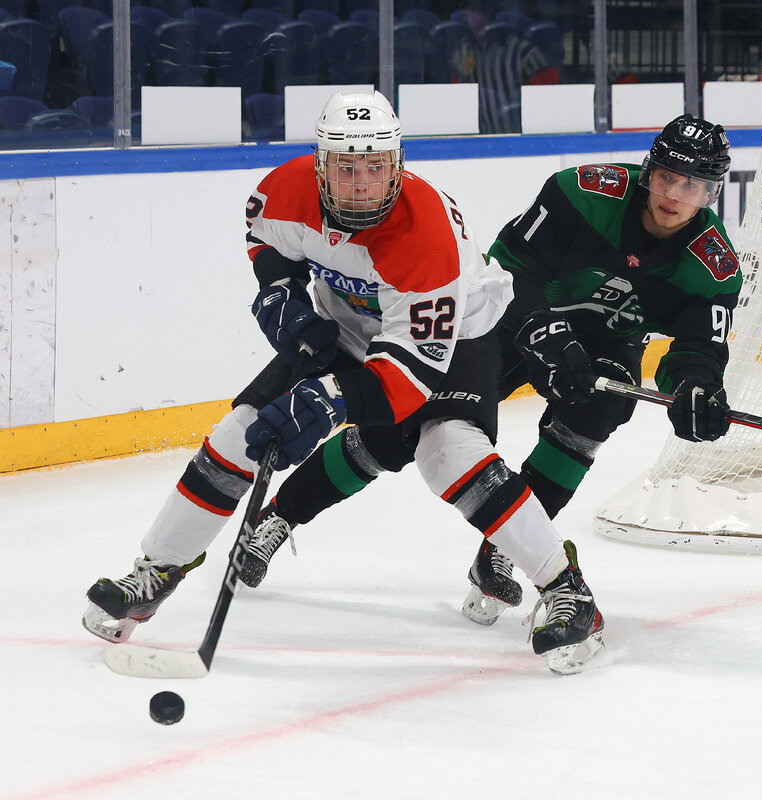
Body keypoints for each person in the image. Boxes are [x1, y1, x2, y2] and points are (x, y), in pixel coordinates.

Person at [82, 90, 606, 674]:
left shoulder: (426, 237)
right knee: (239, 433)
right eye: (346, 167)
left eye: (375, 168)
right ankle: (158, 568)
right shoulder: (286, 189)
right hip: (344, 329)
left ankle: (567, 588)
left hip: (456, 339)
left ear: (397, 165)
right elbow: (268, 241)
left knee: (448, 453)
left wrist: (327, 401)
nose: (361, 185)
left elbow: (407, 379)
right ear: (320, 165)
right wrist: (279, 294)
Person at [241, 113, 743, 626]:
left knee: (599, 410)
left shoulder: (713, 265)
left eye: (691, 185)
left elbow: (699, 348)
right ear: (648, 170)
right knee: (398, 430)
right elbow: (508, 267)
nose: (673, 195)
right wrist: (541, 327)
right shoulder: (583, 192)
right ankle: (279, 516)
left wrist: (696, 388)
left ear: (712, 193)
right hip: (507, 321)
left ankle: (502, 550)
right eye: (666, 177)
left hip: (605, 344)